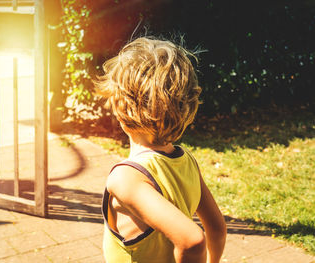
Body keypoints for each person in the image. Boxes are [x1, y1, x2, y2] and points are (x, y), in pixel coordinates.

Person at [94, 37, 226, 263]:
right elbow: (217, 228)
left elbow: (192, 241)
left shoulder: (126, 178)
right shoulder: (186, 161)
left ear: (121, 108)